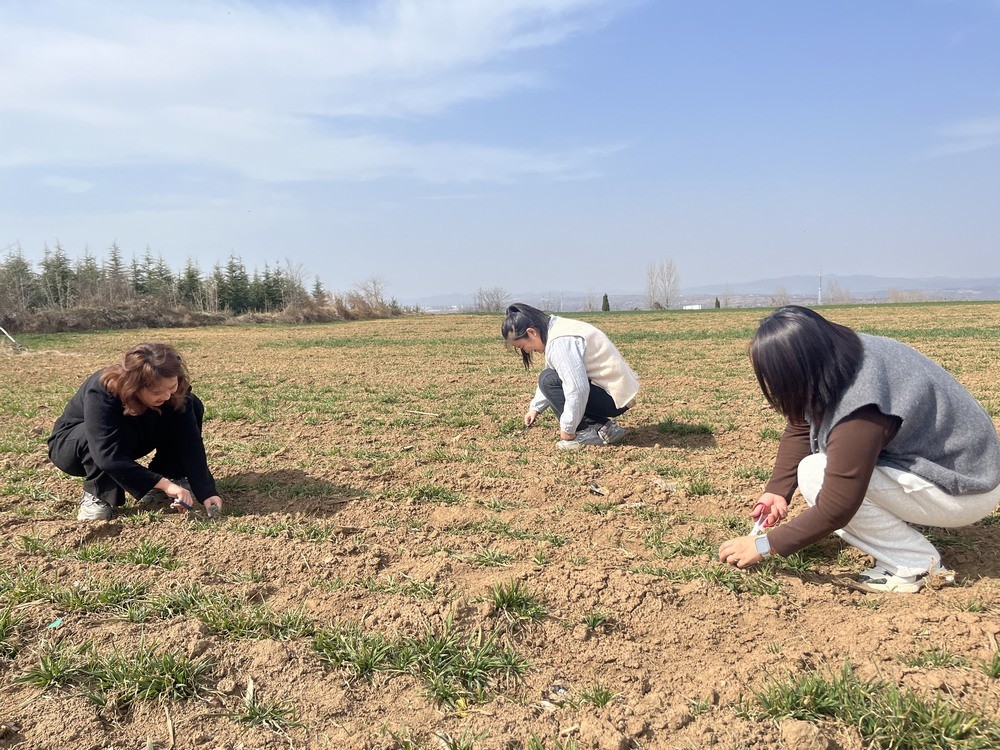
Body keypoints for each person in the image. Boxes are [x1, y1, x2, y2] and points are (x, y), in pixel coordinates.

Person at [718, 306, 1000, 593]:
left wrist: (763, 545)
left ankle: (915, 565)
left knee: (815, 474)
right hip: (965, 467)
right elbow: (803, 418)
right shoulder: (841, 353)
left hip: (966, 489)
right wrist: (778, 489)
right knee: (824, 471)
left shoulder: (861, 409)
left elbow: (836, 508)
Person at [48, 342, 224, 521]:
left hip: (128, 436)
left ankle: (171, 473)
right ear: (134, 387)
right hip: (75, 446)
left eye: (171, 387)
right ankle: (98, 494)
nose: (166, 396)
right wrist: (164, 485)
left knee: (190, 403)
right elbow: (106, 454)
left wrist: (206, 491)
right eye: (156, 392)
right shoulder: (103, 389)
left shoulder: (173, 392)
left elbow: (189, 441)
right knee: (93, 434)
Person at [502, 303, 639, 450]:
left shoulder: (560, 342)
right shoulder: (557, 328)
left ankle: (583, 435)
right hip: (617, 393)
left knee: (549, 380)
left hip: (612, 398)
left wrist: (569, 429)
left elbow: (577, 388)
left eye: (523, 347)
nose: (528, 351)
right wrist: (535, 408)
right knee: (551, 379)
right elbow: (558, 374)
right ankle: (606, 428)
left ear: (532, 332)